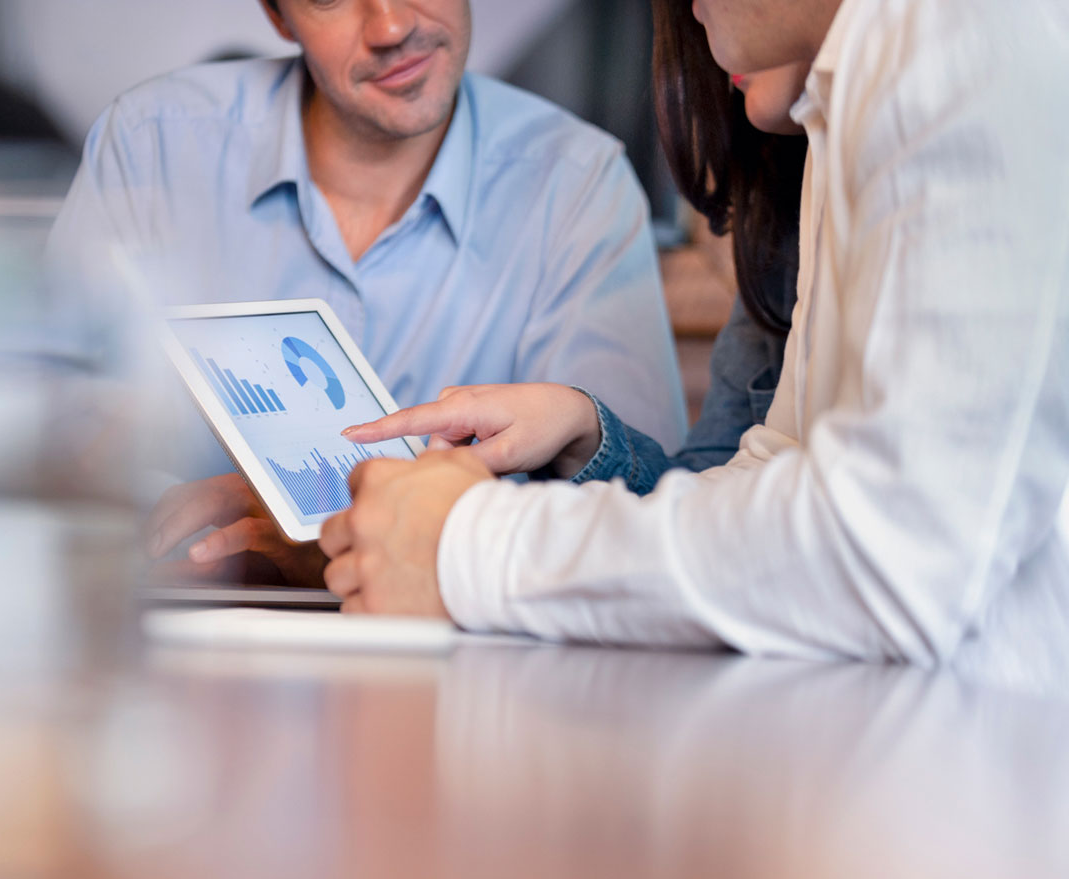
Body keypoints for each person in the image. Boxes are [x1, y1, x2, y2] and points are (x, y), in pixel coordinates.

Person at [320, 0, 1069, 667]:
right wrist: (495, 506)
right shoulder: (842, 101)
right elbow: (771, 474)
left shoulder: (963, 32)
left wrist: (465, 544)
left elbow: (893, 555)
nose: (683, 15)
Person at [44, 1, 687, 584]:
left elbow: (644, 508)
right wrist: (172, 507)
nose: (390, 27)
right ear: (276, 16)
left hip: (463, 661)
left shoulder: (576, 184)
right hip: (181, 632)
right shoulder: (149, 143)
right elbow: (47, 429)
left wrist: (352, 528)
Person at [344, 2, 808, 494]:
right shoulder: (787, 217)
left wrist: (461, 533)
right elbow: (709, 494)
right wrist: (583, 428)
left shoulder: (577, 175)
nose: (389, 26)